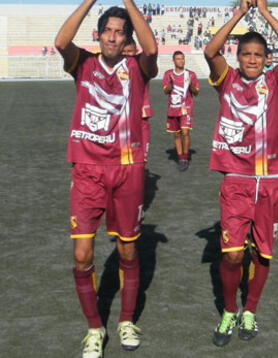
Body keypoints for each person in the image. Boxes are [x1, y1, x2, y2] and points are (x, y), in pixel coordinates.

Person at [54, 1, 158, 357]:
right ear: (98, 35)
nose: (113, 37)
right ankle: (94, 328)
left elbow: (153, 49)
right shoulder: (82, 64)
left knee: (127, 248)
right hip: (86, 170)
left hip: (127, 170)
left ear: (126, 38)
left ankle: (126, 320)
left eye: (120, 32)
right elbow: (61, 41)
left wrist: (129, 3)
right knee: (82, 254)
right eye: (108, 31)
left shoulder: (137, 67)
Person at [203, 0, 278, 347]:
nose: (252, 59)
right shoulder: (225, 80)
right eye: (246, 53)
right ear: (238, 56)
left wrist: (267, 13)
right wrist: (239, 14)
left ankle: (251, 309)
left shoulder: (277, 81)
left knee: (262, 254)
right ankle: (229, 310)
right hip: (236, 181)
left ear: (266, 59)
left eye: (259, 54)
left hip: (271, 183)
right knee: (232, 255)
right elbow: (210, 49)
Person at [162, 50, 199, 171]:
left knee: (185, 132)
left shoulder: (191, 75)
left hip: (185, 108)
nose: (181, 61)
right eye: (178, 59)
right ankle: (179, 157)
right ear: (173, 61)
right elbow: (165, 91)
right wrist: (170, 85)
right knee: (177, 134)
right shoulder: (168, 74)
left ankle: (185, 158)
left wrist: (190, 86)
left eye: (182, 58)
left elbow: (196, 92)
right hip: (173, 108)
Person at [123, 38, 153, 163]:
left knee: (139, 159)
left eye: (130, 51)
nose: (126, 54)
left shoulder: (141, 64)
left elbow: (150, 51)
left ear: (136, 51)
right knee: (123, 160)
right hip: (120, 117)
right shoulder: (115, 66)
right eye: (124, 51)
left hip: (140, 114)